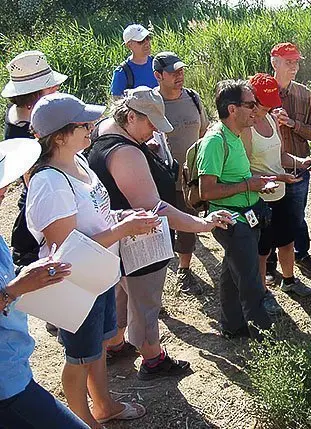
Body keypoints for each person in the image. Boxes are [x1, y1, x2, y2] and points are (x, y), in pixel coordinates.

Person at [25, 93, 158, 427]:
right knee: (78, 357)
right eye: (82, 125)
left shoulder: (79, 162)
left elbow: (96, 215)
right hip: (76, 284)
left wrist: (122, 217)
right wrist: (123, 228)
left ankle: (104, 405)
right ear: (59, 136)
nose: (91, 127)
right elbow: (66, 248)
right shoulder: (50, 182)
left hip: (99, 275)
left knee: (96, 347)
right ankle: (84, 420)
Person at [87, 86, 232, 379]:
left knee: (122, 293)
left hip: (116, 237)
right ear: (130, 116)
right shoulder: (126, 152)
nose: (153, 131)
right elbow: (155, 208)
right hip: (139, 241)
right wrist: (201, 224)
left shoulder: (106, 131)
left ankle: (115, 344)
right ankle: (153, 358)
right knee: (147, 301)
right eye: (149, 123)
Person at [1, 137, 90, 429]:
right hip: (7, 386)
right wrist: (16, 288)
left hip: (14, 371)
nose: (5, 191)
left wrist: (25, 276)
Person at [198, 80, 275, 339]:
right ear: (232, 109)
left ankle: (232, 326)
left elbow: (236, 177)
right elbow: (206, 191)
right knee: (250, 280)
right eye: (250, 105)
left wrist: (255, 186)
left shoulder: (235, 135)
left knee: (233, 274)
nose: (256, 110)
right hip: (232, 221)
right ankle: (263, 338)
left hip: (245, 216)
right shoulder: (215, 142)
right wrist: (248, 185)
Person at [243, 73, 311, 313]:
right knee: (262, 250)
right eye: (263, 104)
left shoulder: (273, 121)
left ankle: (289, 280)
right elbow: (244, 171)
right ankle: (262, 293)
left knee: (286, 239)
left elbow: (281, 157)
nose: (269, 108)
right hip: (259, 197)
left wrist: (300, 161)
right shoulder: (246, 130)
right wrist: (275, 178)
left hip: (280, 191)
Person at [2, 51, 67, 272]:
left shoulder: (20, 113)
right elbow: (33, 181)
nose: (56, 89)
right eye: (50, 87)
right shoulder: (23, 131)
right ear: (33, 95)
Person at [153, 51, 210, 293]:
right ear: (158, 75)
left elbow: (204, 131)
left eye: (181, 70)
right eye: (173, 72)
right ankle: (155, 282)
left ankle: (184, 271)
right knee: (159, 230)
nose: (180, 75)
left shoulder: (193, 98)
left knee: (188, 224)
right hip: (159, 179)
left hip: (189, 179)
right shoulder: (151, 103)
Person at [266, 42, 311, 280]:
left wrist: (292, 124)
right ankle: (268, 261)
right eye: (289, 62)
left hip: (297, 168)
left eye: (297, 62)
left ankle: (301, 254)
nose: (294, 67)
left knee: (296, 215)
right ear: (274, 63)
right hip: (267, 168)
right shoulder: (257, 93)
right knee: (267, 216)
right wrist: (267, 118)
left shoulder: (304, 94)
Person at [111, 24, 157, 99]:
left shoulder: (158, 63)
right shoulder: (122, 72)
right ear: (129, 45)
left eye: (148, 38)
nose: (147, 43)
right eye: (141, 41)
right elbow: (116, 102)